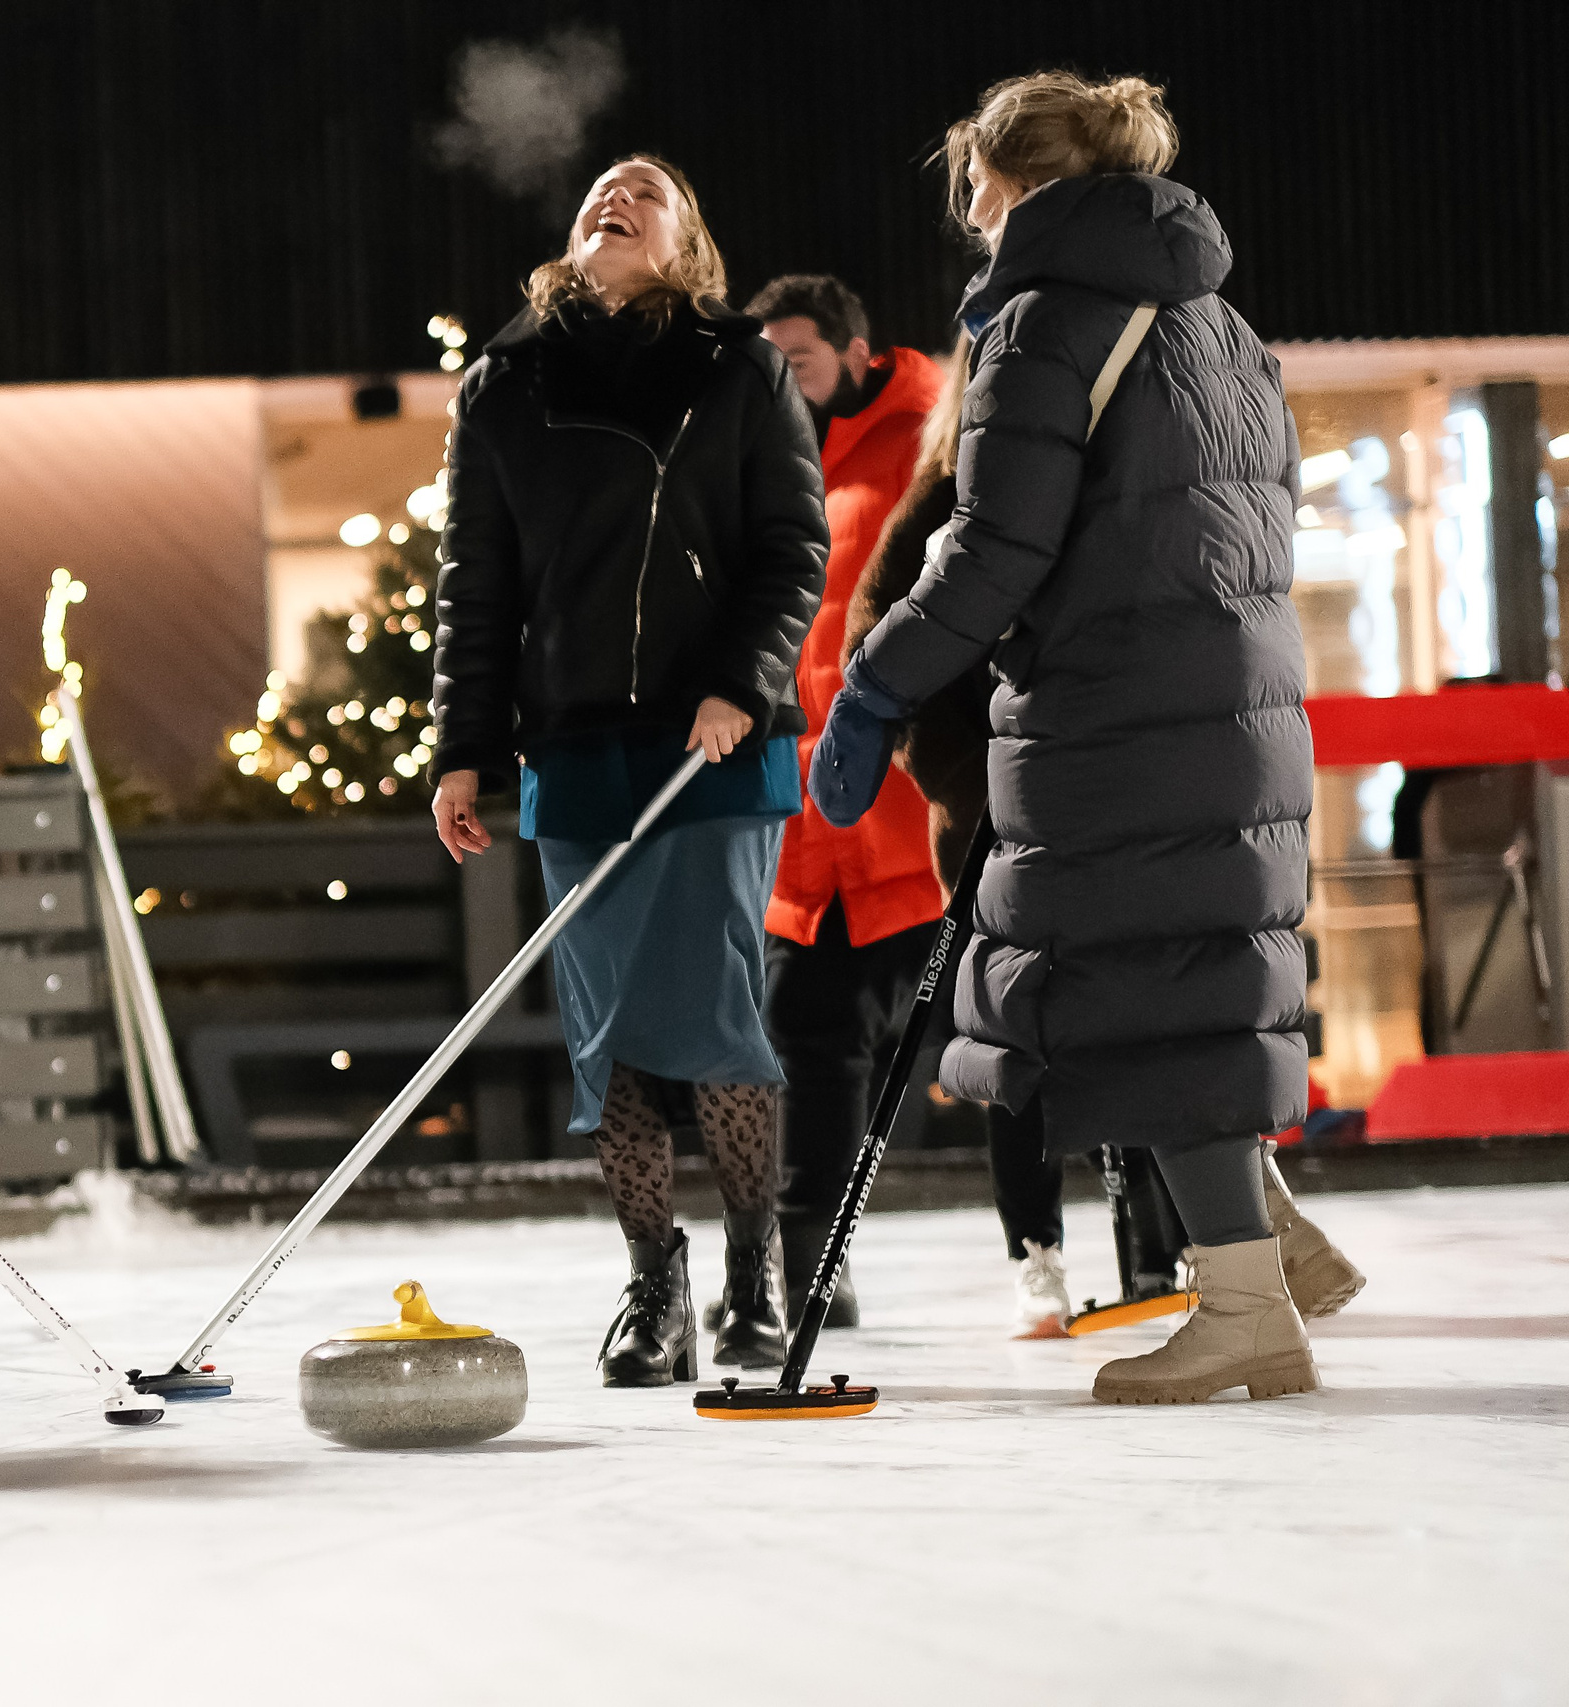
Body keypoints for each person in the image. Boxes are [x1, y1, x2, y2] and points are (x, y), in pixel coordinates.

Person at [812, 73, 1324, 1404]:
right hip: (1232, 702)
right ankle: (1277, 1243)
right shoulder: (1214, 314)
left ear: (1013, 177)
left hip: (1118, 711)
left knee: (1131, 994)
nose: (966, 211)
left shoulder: (1045, 319)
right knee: (1188, 977)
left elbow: (993, 551)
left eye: (971, 182)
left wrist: (874, 684)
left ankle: (1248, 1300)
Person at [850, 339, 1365, 1339]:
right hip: (1001, 825)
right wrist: (975, 780)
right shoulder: (947, 497)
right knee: (1027, 1043)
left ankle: (1219, 1242)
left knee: (1130, 1020)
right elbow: (896, 640)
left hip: (1092, 800)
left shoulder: (1094, 484)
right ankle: (1050, 1252)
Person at [431, 156, 829, 1383]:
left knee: (712, 1019)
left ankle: (752, 1271)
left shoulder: (737, 366)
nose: (618, 198)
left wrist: (744, 683)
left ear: (685, 243)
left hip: (712, 747)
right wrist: (461, 745)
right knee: (607, 1045)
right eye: (603, 189)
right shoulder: (503, 384)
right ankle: (653, 1283)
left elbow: (791, 546)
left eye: (646, 194)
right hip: (576, 751)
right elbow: (476, 585)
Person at [741, 274, 946, 1334]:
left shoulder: (930, 440)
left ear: (857, 353)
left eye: (802, 360)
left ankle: (1146, 1236)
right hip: (805, 822)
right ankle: (809, 1264)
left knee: (990, 1034)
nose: (783, 379)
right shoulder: (761, 455)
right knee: (806, 1040)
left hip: (908, 811)